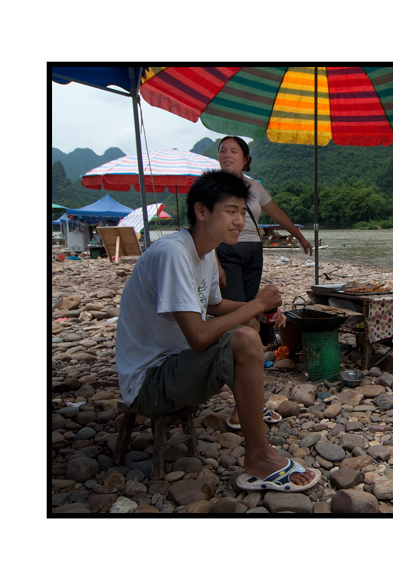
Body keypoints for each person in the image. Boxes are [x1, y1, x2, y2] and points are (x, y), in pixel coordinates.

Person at [115, 170, 320, 493]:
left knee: (247, 328)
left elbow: (212, 305)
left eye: (242, 212)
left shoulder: (206, 251)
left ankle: (251, 431)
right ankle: (259, 456)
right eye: (230, 211)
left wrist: (259, 306)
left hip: (176, 364)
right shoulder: (173, 253)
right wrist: (254, 305)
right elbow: (198, 336)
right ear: (201, 211)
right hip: (149, 382)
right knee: (244, 338)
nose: (240, 220)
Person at [214, 136, 313, 430]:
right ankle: (242, 403)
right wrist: (215, 262)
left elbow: (277, 213)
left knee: (249, 315)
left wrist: (299, 236)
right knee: (238, 321)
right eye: (222, 151)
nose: (227, 155)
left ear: (246, 159)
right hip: (225, 252)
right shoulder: (213, 187)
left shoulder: (253, 187)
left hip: (252, 253)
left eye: (234, 151)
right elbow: (202, 227)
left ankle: (246, 394)